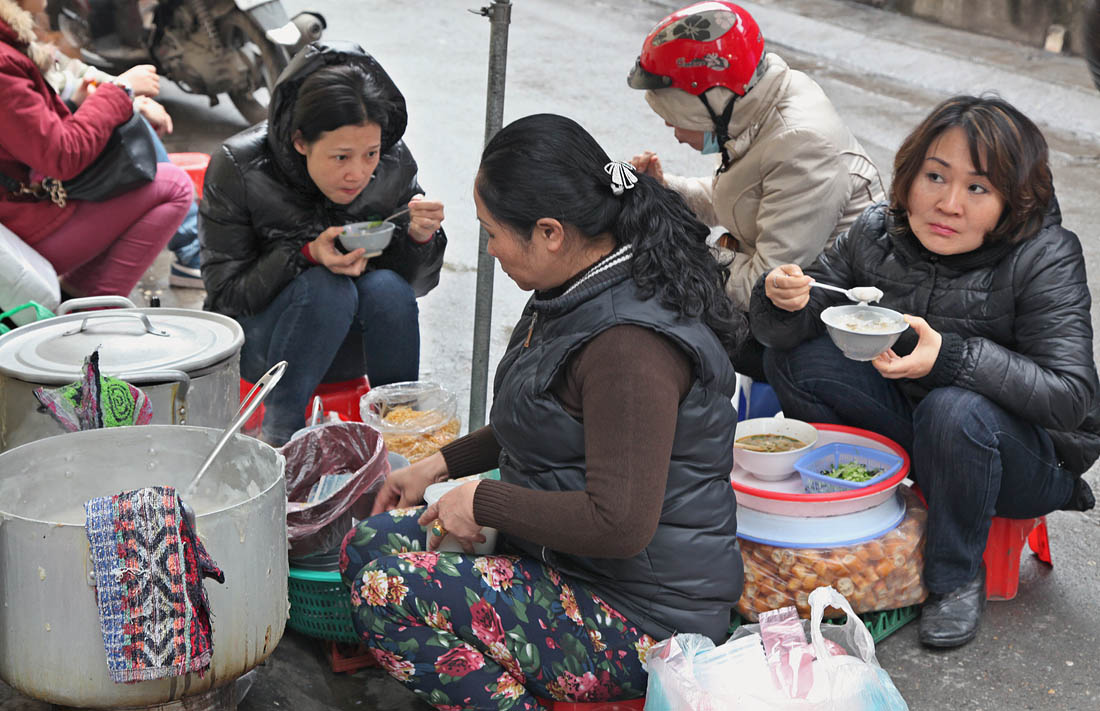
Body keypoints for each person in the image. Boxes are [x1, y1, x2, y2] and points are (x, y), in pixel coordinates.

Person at [340, 113, 745, 709]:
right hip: (567, 563)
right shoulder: (576, 288)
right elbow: (541, 417)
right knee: (369, 545)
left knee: (386, 590)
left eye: (493, 232)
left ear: (550, 232)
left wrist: (481, 499)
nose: (492, 250)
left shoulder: (630, 346)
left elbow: (621, 524)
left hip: (642, 619)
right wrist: (437, 467)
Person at [750, 95, 1099, 649]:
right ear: (910, 176)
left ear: (1014, 201)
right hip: (920, 424)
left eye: (978, 188)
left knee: (954, 408)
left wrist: (953, 359)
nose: (949, 204)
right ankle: (862, 505)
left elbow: (1071, 398)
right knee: (796, 357)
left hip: (1031, 455)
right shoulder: (876, 233)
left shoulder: (1044, 255)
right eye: (934, 176)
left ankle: (955, 577)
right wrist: (781, 300)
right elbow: (814, 306)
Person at [200, 41, 447, 446]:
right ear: (301, 141)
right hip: (264, 345)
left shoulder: (392, 164)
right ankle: (280, 438)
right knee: (326, 289)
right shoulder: (240, 166)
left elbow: (417, 286)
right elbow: (226, 297)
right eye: (341, 158)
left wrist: (420, 239)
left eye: (371, 153)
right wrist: (305, 255)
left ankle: (402, 435)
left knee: (388, 289)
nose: (359, 173)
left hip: (354, 345)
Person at [627, 1, 883, 376]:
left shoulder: (800, 143)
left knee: (657, 319)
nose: (674, 133)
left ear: (713, 103)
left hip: (819, 324)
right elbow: (737, 200)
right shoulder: (750, 108)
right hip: (777, 299)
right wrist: (666, 190)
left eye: (676, 119)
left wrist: (675, 250)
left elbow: (765, 284)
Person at [0, 0, 192, 299]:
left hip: (19, 213)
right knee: (175, 186)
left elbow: (24, 136)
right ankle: (95, 313)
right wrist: (119, 90)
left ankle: (79, 296)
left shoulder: (10, 47)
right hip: (19, 232)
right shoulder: (3, 62)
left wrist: (77, 105)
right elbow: (61, 157)